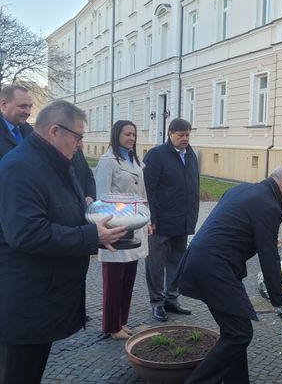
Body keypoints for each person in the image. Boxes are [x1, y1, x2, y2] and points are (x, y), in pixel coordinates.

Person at [0, 100, 127, 384]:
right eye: (78, 137)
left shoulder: (53, 161)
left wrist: (94, 223)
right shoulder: (20, 167)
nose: (80, 145)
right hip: (24, 301)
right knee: (17, 374)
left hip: (42, 297)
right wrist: (91, 235)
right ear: (55, 131)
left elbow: (64, 209)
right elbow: (26, 233)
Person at [176, 165, 282, 384]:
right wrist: (279, 299)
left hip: (202, 262)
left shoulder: (241, 189)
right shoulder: (269, 206)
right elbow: (269, 255)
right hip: (214, 269)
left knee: (234, 332)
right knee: (239, 334)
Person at [94, 120, 149, 340]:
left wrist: (147, 219)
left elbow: (143, 194)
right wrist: (106, 228)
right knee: (114, 280)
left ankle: (121, 321)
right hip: (115, 227)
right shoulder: (107, 161)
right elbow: (101, 197)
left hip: (135, 225)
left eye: (134, 135)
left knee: (128, 278)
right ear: (117, 135)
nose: (131, 138)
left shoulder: (136, 160)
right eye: (127, 134)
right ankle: (111, 326)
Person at [143, 118, 200, 322]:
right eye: (181, 135)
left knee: (177, 263)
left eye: (187, 135)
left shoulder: (191, 155)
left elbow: (194, 186)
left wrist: (192, 216)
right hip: (161, 222)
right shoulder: (157, 155)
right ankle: (157, 302)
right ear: (170, 134)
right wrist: (151, 217)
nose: (185, 139)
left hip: (182, 221)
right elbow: (148, 189)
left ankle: (171, 299)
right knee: (156, 265)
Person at [0, 84, 33, 159]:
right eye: (22, 106)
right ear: (4, 105)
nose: (28, 112)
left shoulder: (30, 131)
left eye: (30, 106)